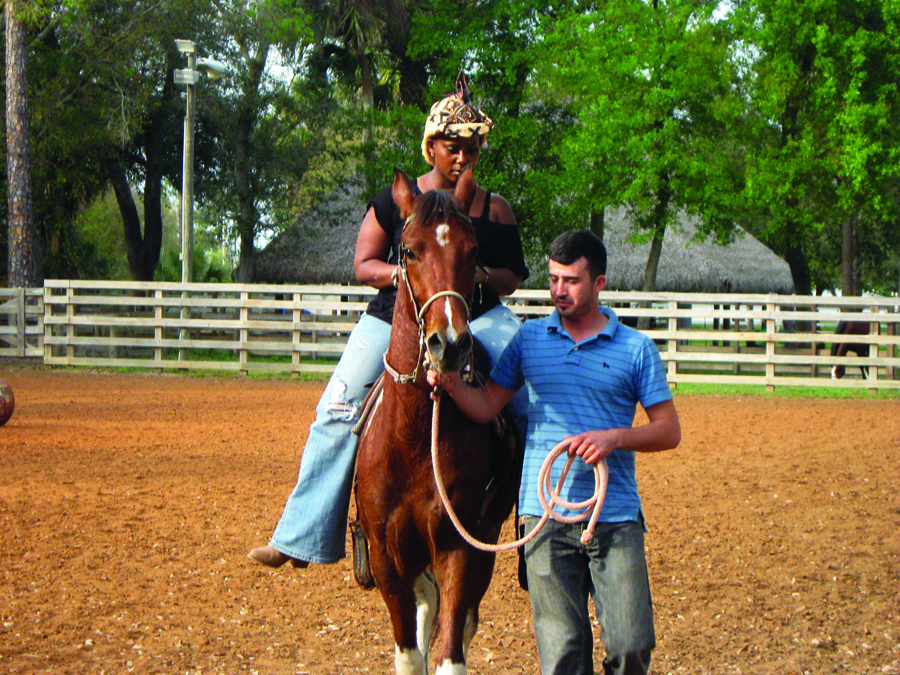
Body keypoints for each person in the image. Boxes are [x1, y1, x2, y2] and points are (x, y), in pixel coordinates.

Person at [248, 84, 530, 569]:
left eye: (471, 147)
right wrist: (413, 274)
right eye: (452, 146)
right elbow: (364, 264)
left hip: (479, 315)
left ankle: (534, 532)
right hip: (396, 316)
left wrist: (475, 275)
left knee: (529, 401)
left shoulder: (493, 208)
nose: (462, 156)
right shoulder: (397, 199)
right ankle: (302, 533)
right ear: (432, 146)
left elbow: (513, 276)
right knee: (336, 408)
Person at [427, 230, 681, 675]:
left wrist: (613, 438)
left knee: (631, 644)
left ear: (599, 284)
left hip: (615, 514)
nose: (559, 290)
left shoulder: (636, 349)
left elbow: (668, 430)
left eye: (572, 281)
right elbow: (488, 405)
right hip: (543, 516)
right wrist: (449, 384)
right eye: (553, 279)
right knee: (562, 654)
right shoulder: (529, 339)